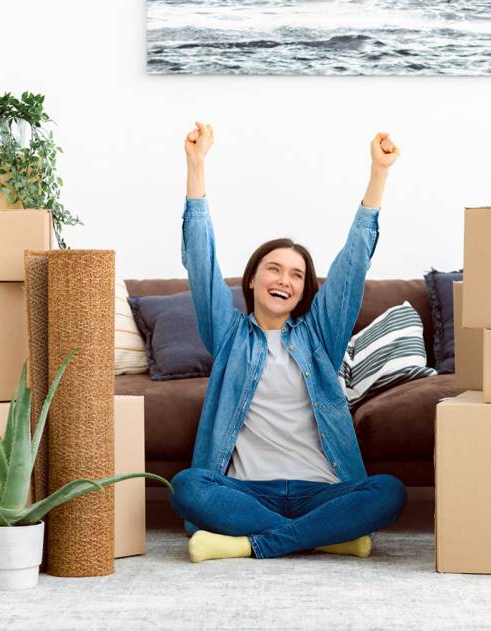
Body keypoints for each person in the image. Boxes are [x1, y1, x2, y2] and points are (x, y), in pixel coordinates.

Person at [168, 121, 407, 563]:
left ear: (305, 290)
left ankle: (248, 544)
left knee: (389, 492)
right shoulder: (229, 335)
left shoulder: (319, 335)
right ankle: (326, 538)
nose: (284, 280)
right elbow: (201, 262)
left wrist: (379, 174)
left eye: (297, 274)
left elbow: (353, 265)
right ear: (253, 278)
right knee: (187, 487)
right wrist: (195, 166)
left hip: (322, 490)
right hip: (246, 491)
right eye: (274, 269)